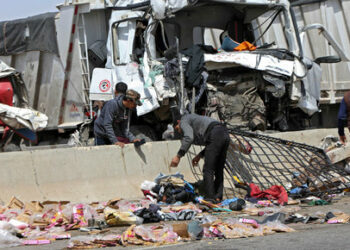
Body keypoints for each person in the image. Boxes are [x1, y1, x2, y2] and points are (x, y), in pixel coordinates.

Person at [170, 112, 230, 202]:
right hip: (224, 133)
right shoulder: (195, 119)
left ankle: (209, 198)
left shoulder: (183, 120)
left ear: (178, 122)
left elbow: (189, 137)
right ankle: (218, 197)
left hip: (215, 133)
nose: (179, 131)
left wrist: (178, 156)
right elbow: (212, 144)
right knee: (218, 169)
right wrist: (199, 155)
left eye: (178, 128)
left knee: (208, 170)